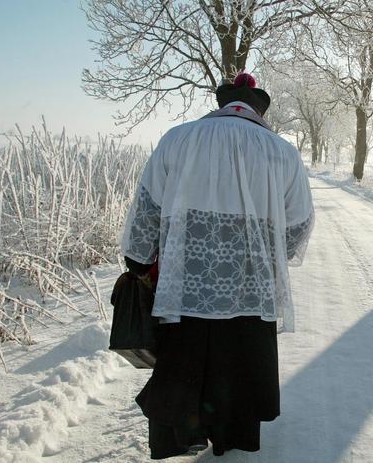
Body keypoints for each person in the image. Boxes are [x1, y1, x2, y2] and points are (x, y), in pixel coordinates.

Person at [120, 72, 314, 459]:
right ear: (258, 108)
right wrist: (275, 258)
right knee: (239, 361)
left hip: (184, 278)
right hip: (251, 285)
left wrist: (139, 259)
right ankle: (231, 435)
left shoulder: (179, 138)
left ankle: (184, 432)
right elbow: (300, 221)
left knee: (185, 357)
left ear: (223, 103)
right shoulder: (281, 151)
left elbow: (148, 206)